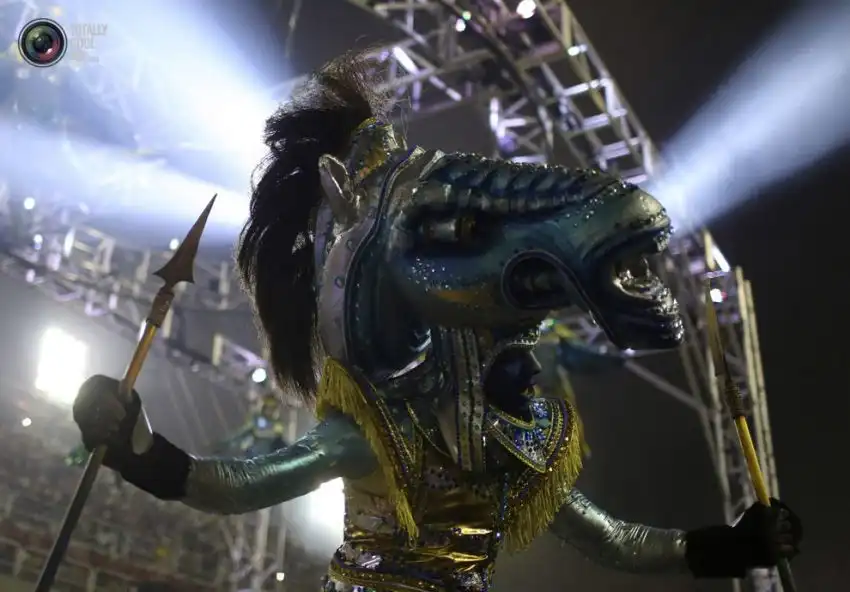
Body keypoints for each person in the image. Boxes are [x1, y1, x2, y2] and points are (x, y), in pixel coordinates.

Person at [71, 51, 801, 592]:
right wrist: (136, 447)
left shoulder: (511, 444)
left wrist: (731, 548)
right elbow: (231, 485)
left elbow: (615, 542)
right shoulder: (373, 431)